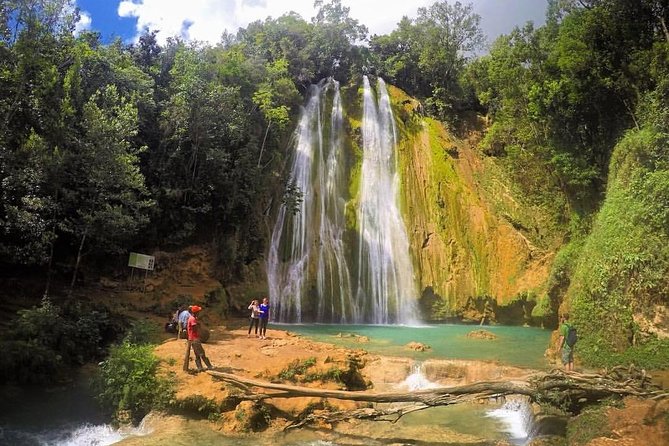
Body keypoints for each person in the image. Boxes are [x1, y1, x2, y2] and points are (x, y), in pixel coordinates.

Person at [183, 305, 213, 373]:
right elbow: (194, 328)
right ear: (196, 312)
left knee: (197, 354)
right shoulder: (193, 319)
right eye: (199, 311)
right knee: (202, 353)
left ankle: (200, 368)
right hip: (195, 338)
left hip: (192, 338)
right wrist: (198, 327)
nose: (199, 313)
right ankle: (209, 366)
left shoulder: (191, 318)